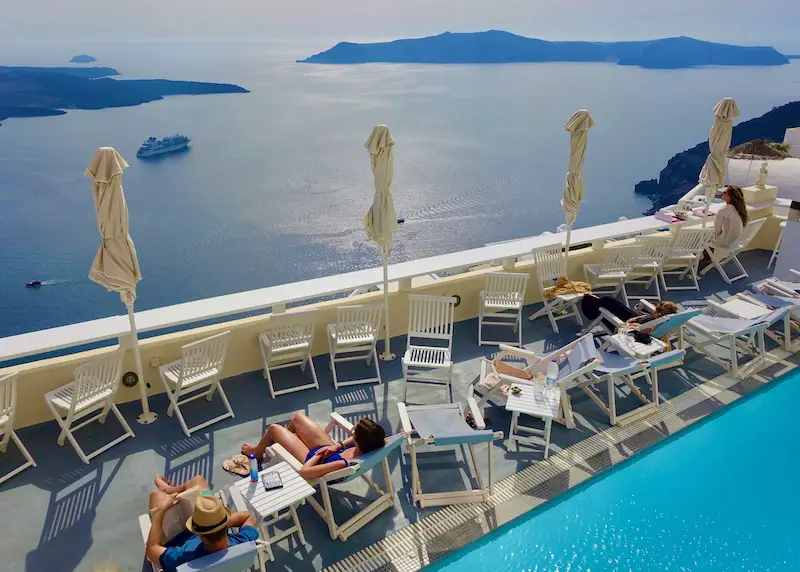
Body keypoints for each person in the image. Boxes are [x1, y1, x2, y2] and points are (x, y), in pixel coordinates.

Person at [146, 475, 259, 572]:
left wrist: (160, 511)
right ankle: (169, 489)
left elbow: (151, 549)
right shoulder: (243, 543)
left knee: (156, 495)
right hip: (213, 534)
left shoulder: (183, 558)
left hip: (178, 539)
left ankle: (167, 491)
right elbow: (247, 516)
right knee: (198, 480)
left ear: (201, 536)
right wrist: (215, 524)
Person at [241, 412, 386, 480]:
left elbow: (305, 472)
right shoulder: (372, 446)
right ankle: (289, 441)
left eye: (354, 433)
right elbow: (354, 441)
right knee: (298, 418)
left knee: (274, 429)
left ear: (358, 441)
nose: (352, 434)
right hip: (329, 449)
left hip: (312, 459)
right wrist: (339, 445)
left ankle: (257, 452)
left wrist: (318, 455)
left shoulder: (343, 464)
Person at [701, 185, 749, 266]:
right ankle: (708, 258)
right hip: (735, 242)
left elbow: (716, 231)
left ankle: (706, 260)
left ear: (730, 197)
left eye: (724, 192)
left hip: (725, 243)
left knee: (702, 236)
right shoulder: (739, 209)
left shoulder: (723, 210)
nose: (722, 194)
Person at [581, 294, 678, 333]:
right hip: (638, 320)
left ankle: (590, 308)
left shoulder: (651, 324)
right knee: (608, 300)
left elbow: (630, 327)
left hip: (623, 326)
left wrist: (631, 322)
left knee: (606, 304)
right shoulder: (666, 322)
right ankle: (591, 301)